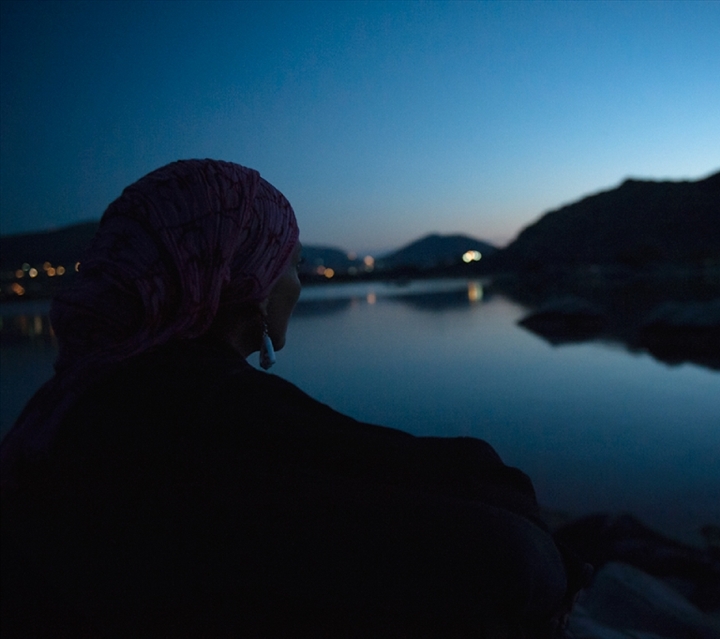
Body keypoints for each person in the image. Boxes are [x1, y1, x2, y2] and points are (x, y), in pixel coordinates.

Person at [0, 160, 588, 638]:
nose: (298, 284)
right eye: (294, 264)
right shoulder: (194, 404)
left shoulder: (75, 401)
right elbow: (468, 526)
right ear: (247, 280)